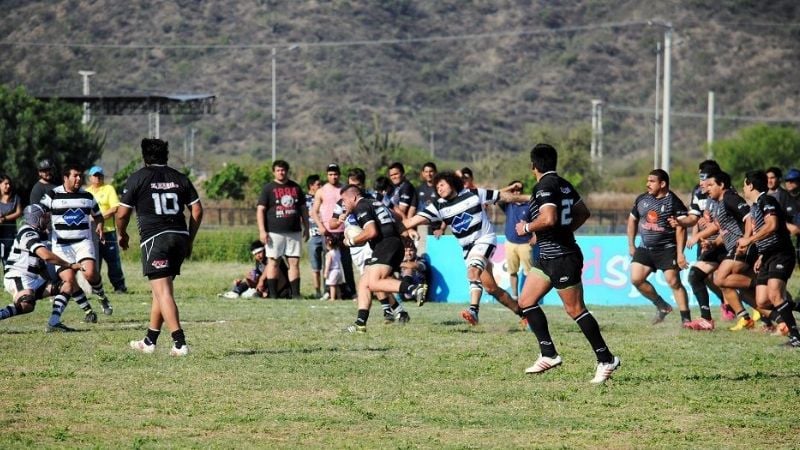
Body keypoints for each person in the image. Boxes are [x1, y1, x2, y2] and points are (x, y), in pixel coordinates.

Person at [512, 143, 619, 383]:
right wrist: (559, 232)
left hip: (562, 257)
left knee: (575, 310)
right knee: (526, 301)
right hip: (548, 256)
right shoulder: (564, 184)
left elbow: (549, 218)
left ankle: (606, 359)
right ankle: (548, 354)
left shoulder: (545, 185)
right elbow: (583, 213)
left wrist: (527, 227)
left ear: (533, 166)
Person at [403, 171, 522, 325]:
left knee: (472, 272)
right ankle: (523, 313)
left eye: (442, 184)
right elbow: (411, 221)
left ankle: (473, 310)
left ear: (452, 183)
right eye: (436, 186)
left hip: (484, 239)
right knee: (491, 288)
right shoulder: (439, 205)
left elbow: (501, 195)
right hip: (468, 248)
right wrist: (387, 228)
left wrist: (530, 198)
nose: (439, 188)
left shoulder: (473, 193)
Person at [120, 138, 203, 356]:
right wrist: (190, 240)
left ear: (144, 156)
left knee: (163, 291)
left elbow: (122, 213)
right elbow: (197, 211)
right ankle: (149, 341)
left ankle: (179, 343)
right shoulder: (180, 177)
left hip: (156, 239)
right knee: (160, 291)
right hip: (179, 237)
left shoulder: (138, 178)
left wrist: (122, 233)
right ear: (166, 155)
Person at [340, 184, 425, 333]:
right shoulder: (375, 202)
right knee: (364, 284)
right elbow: (397, 217)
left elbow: (371, 232)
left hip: (386, 245)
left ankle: (413, 288)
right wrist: (402, 236)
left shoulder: (361, 206)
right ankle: (360, 323)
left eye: (344, 200)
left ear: (353, 197)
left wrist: (351, 241)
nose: (343, 204)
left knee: (374, 283)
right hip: (392, 243)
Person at [40, 163, 111, 328]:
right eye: (75, 176)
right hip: (61, 246)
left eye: (80, 175)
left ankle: (101, 295)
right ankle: (87, 311)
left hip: (82, 243)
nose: (79, 179)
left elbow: (98, 216)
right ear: (66, 178)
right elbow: (39, 212)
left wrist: (100, 225)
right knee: (69, 281)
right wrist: (41, 222)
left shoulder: (87, 196)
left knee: (91, 274)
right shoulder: (52, 195)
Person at [737, 170, 800, 347]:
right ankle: (797, 307)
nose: (743, 188)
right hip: (767, 256)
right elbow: (765, 233)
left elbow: (772, 225)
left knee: (775, 295)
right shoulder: (755, 206)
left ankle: (796, 337)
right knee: (762, 301)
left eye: (744, 184)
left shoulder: (767, 200)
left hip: (781, 254)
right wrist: (761, 256)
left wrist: (749, 240)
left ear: (750, 185)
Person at [0, 205, 83, 328]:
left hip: (33, 279)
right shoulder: (27, 231)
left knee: (66, 285)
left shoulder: (40, 234)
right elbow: (45, 256)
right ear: (36, 218)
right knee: (26, 304)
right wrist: (69, 265)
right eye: (44, 217)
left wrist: (51, 281)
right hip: (17, 275)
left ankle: (54, 323)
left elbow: (40, 264)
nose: (47, 219)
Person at [627, 169, 692, 326]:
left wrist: (680, 254)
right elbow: (632, 220)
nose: (647, 184)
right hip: (645, 248)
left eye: (651, 181)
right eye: (647, 181)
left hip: (667, 249)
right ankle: (662, 306)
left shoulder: (673, 202)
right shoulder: (642, 199)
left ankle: (686, 319)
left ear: (662, 184)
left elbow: (681, 228)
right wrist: (631, 244)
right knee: (636, 279)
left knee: (673, 281)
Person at [702, 171, 762, 331]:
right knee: (731, 285)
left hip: (743, 247)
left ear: (721, 185)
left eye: (710, 185)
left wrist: (746, 239)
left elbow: (749, 218)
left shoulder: (730, 197)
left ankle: (760, 283)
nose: (706, 189)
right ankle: (750, 318)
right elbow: (726, 231)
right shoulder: (720, 203)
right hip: (734, 246)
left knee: (720, 278)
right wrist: (713, 243)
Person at [256, 160, 308, 299]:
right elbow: (260, 210)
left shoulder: (295, 187)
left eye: (283, 170)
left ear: (287, 171)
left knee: (294, 263)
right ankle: (273, 295)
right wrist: (262, 230)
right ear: (274, 172)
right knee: (273, 262)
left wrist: (307, 227)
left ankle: (296, 294)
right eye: (278, 170)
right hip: (274, 232)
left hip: (294, 232)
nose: (281, 172)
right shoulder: (268, 188)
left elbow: (303, 209)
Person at [311, 163, 356, 298]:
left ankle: (351, 291)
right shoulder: (321, 191)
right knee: (329, 262)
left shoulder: (344, 189)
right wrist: (321, 226)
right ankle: (327, 292)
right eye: (330, 174)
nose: (333, 176)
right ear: (327, 175)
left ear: (339, 174)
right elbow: (314, 211)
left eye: (335, 174)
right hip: (329, 231)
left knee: (347, 262)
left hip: (344, 231)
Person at [85, 165, 128, 294]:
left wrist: (98, 217)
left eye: (100, 175)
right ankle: (94, 287)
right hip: (92, 233)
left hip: (108, 232)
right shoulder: (87, 192)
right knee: (94, 261)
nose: (97, 178)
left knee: (113, 261)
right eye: (95, 175)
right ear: (90, 178)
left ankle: (119, 286)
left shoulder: (109, 189)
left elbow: (115, 207)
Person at [498, 180, 534, 300]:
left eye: (519, 189)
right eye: (514, 190)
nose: (516, 192)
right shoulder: (508, 205)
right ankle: (515, 296)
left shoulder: (529, 205)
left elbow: (537, 221)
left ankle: (528, 296)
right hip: (510, 243)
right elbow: (497, 194)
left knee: (529, 273)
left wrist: (535, 236)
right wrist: (511, 186)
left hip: (525, 244)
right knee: (512, 272)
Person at [305, 174, 324, 299]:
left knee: (329, 265)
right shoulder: (305, 199)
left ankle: (328, 290)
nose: (320, 186)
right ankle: (317, 291)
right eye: (318, 184)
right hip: (313, 235)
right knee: (315, 267)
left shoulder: (323, 197)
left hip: (325, 234)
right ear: (311, 186)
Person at [0, 174, 22, 266]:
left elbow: (19, 212)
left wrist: (4, 218)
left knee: (9, 259)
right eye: (6, 184)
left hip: (10, 233)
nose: (8, 186)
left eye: (9, 184)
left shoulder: (15, 198)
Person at [323, 235, 345, 301]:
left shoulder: (329, 254)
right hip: (339, 270)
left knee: (332, 285)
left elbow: (328, 264)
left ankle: (332, 298)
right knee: (337, 285)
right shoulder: (337, 252)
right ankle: (339, 297)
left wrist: (326, 272)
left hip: (332, 271)